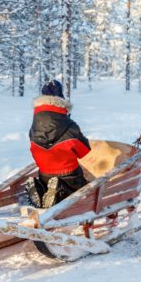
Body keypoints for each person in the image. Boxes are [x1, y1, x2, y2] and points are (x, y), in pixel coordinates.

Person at [25, 80, 91, 208]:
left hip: (44, 174)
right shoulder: (70, 126)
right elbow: (84, 151)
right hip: (70, 176)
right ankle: (59, 190)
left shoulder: (34, 127)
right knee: (81, 190)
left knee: (48, 180)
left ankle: (41, 189)